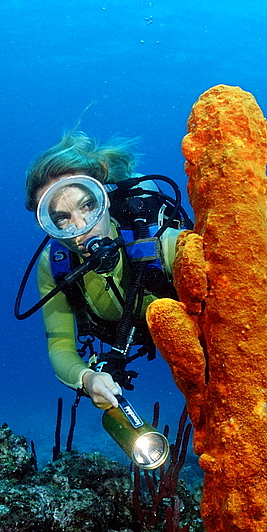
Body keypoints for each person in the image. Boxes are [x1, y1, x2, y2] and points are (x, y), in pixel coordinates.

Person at [22, 128, 189, 410]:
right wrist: (87, 379)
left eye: (88, 205)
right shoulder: (55, 266)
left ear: (105, 199)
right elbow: (60, 347)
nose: (81, 228)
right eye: (61, 218)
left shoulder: (163, 244)